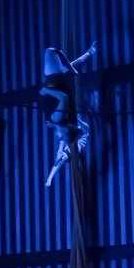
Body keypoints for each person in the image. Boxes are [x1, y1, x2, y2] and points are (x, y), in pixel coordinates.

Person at [41, 41, 96, 188]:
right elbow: (59, 161)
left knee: (58, 56)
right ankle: (82, 58)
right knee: (53, 52)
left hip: (56, 84)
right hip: (54, 86)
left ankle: (87, 55)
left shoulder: (65, 133)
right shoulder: (75, 144)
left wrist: (49, 179)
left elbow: (58, 158)